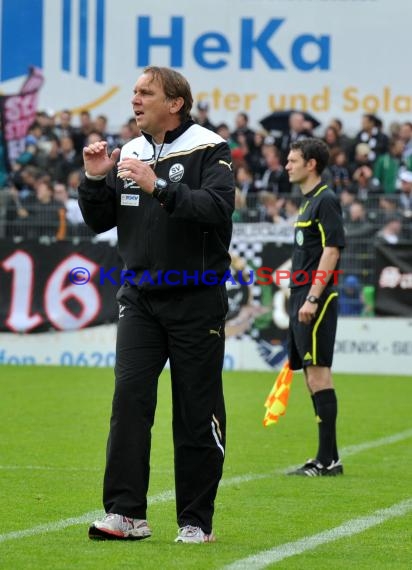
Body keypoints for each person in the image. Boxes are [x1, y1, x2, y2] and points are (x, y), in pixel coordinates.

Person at [78, 66, 235, 543]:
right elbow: (98, 220)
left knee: (194, 410)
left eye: (146, 92)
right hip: (139, 299)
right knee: (129, 401)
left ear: (176, 102)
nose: (135, 99)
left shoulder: (211, 147)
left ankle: (195, 521)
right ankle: (126, 514)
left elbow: (216, 209)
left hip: (196, 298)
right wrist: (93, 178)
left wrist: (158, 186)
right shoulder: (129, 152)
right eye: (133, 92)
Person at [284, 138, 345, 477]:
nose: (286, 165)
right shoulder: (308, 204)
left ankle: (328, 459)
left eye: (293, 160)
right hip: (301, 296)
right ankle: (326, 456)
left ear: (311, 164)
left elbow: (332, 250)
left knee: (319, 372)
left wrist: (312, 297)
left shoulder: (326, 200)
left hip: (314, 298)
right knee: (310, 376)